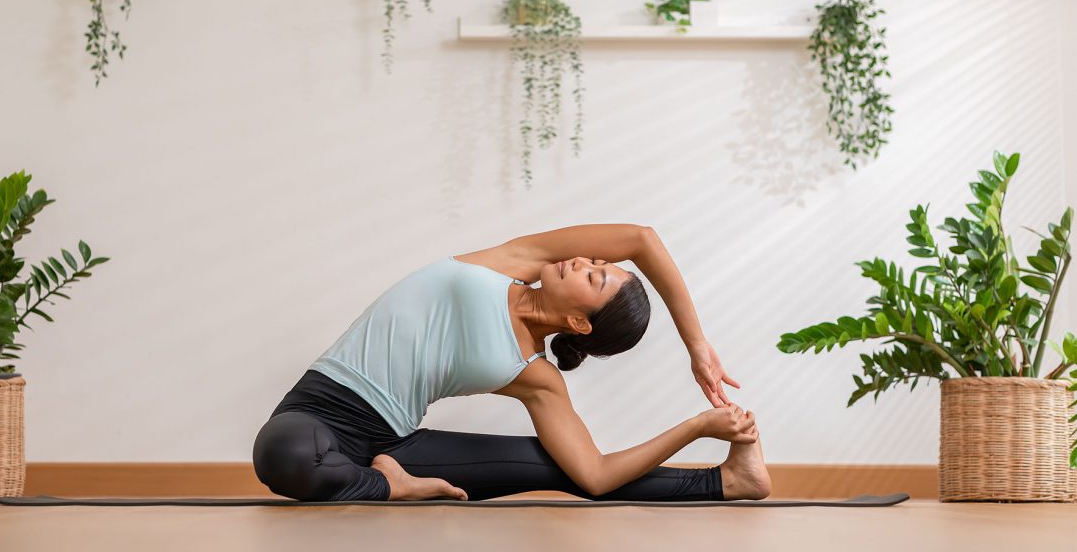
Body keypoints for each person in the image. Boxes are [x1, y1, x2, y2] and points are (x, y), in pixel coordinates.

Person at [253, 223, 771, 501]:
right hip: (321, 411)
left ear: (581, 325)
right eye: (595, 263)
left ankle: (728, 483)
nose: (582, 261)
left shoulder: (535, 375)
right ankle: (388, 486)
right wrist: (696, 346)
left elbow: (595, 475)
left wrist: (700, 425)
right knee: (284, 450)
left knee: (558, 467)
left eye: (592, 278)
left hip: (392, 441)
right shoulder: (511, 263)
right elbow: (642, 240)